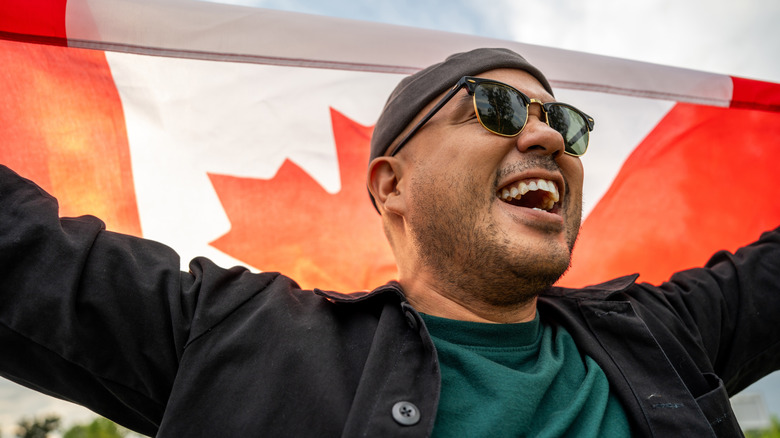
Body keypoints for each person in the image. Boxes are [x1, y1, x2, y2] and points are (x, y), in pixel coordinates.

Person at [0, 47, 777, 438]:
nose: (546, 134)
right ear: (390, 185)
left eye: (566, 123)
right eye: (497, 109)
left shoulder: (662, 336)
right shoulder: (240, 337)